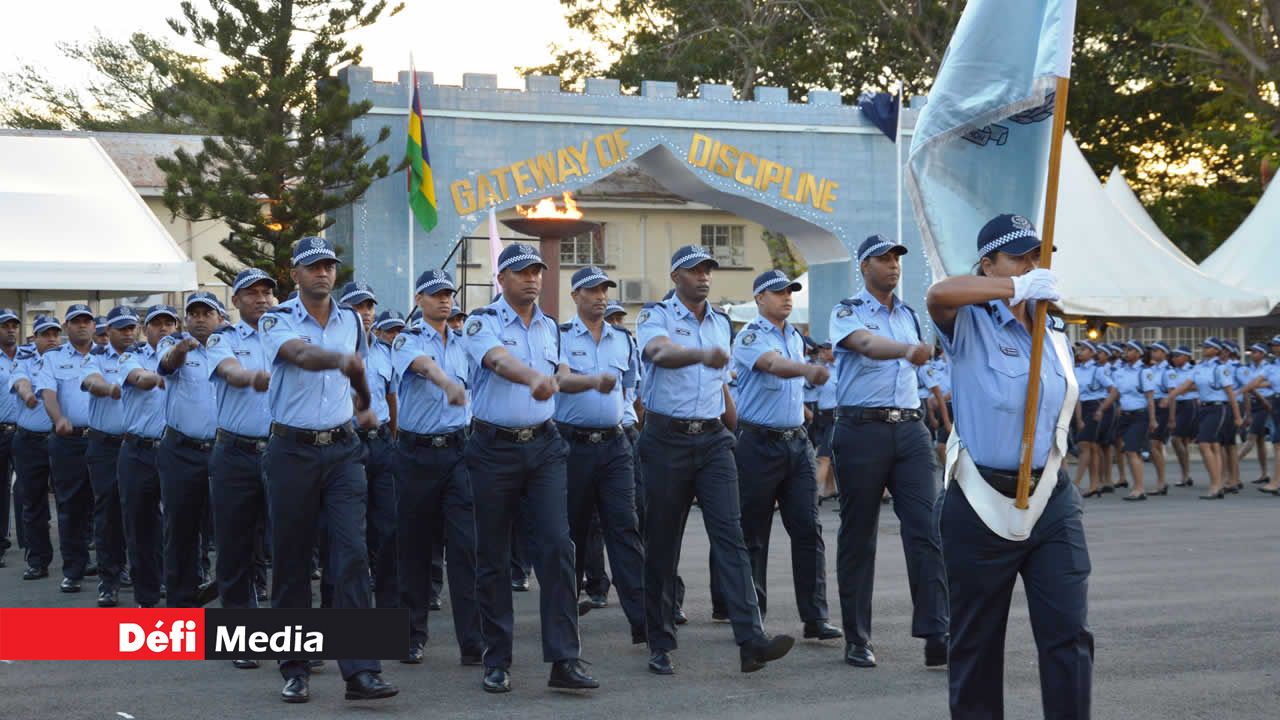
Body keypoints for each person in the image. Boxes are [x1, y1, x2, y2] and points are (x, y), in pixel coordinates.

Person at [926, 213, 1092, 720]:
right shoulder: (969, 321)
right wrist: (1014, 288)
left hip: (1050, 499)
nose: (1032, 265)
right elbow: (938, 294)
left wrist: (1030, 294)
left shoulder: (1053, 328)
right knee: (976, 644)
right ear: (988, 264)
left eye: (1036, 257)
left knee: (1068, 634)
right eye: (1018, 257)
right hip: (981, 501)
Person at [636, 244, 794, 676]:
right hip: (666, 440)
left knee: (731, 537)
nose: (704, 276)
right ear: (675, 277)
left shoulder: (721, 321)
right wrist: (701, 355)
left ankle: (751, 640)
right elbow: (659, 353)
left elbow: (721, 382)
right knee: (663, 543)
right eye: (694, 270)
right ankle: (660, 641)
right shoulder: (655, 315)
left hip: (712, 441)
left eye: (708, 269)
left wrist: (733, 424)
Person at [258, 236, 398, 703]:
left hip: (342, 451)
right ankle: (295, 667)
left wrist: (364, 405)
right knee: (293, 559)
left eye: (329, 265)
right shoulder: (276, 318)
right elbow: (300, 356)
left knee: (353, 554)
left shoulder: (352, 321)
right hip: (291, 450)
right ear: (294, 273)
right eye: (313, 266)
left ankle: (361, 671)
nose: (323, 272)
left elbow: (358, 372)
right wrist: (339, 360)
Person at [462, 243, 600, 694]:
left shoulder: (549, 326)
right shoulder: (482, 321)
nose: (532, 279)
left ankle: (564, 659)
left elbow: (560, 371)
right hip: (493, 448)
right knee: (494, 554)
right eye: (522, 272)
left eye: (537, 271)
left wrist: (586, 381)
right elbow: (498, 361)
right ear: (501, 278)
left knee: (557, 546)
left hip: (544, 446)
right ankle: (496, 659)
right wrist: (534, 379)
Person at [827, 234, 949, 669]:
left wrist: (931, 395)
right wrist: (907, 350)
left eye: (897, 258)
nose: (893, 264)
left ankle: (937, 632)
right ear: (864, 267)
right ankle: (857, 637)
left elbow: (919, 370)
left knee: (926, 528)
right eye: (883, 259)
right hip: (861, 429)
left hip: (909, 429)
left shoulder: (909, 314)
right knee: (859, 535)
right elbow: (865, 344)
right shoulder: (848, 310)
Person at [729, 269, 841, 642]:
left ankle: (815, 616)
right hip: (758, 443)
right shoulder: (750, 336)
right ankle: (752, 617)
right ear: (759, 299)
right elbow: (772, 365)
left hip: (796, 442)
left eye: (790, 291)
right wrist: (808, 369)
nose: (787, 297)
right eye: (778, 292)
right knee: (753, 532)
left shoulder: (794, 336)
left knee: (808, 528)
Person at [392, 268, 483, 666]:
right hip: (417, 455)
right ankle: (412, 635)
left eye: (448, 293)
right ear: (419, 300)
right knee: (414, 547)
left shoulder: (464, 342)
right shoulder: (406, 339)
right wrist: (445, 382)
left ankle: (473, 642)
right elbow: (423, 366)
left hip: (459, 453)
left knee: (466, 548)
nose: (444, 300)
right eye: (435, 294)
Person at [554, 266, 648, 643]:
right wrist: (592, 382)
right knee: (572, 531)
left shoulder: (622, 339)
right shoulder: (559, 336)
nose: (601, 296)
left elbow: (631, 390)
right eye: (592, 290)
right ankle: (565, 618)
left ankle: (644, 622)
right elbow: (560, 380)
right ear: (575, 296)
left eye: (604, 290)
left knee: (624, 528)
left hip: (614, 445)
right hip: (571, 445)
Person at [205, 269, 276, 665]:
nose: (261, 298)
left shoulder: (287, 336)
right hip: (236, 453)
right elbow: (230, 373)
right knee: (236, 546)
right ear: (235, 301)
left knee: (290, 545)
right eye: (251, 293)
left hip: (282, 451)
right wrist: (252, 377)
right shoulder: (223, 339)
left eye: (267, 292)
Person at [154, 293, 222, 608]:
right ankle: (181, 602)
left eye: (207, 313)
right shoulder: (172, 344)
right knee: (181, 528)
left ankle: (231, 592)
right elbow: (168, 364)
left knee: (233, 526)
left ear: (220, 318)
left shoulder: (230, 346)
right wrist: (182, 349)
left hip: (223, 450)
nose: (200, 319)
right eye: (194, 313)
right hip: (181, 450)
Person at [338, 281, 398, 611]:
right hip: (347, 444)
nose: (365, 313)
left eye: (369, 306)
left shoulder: (385, 352)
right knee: (350, 534)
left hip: (382, 444)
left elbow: (391, 398)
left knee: (388, 529)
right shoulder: (336, 348)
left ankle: (387, 609)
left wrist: (392, 437)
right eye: (357, 307)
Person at [78, 305, 141, 606]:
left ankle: (145, 576)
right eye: (121, 329)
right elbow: (91, 382)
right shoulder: (95, 358)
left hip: (138, 446)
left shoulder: (144, 357)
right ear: (109, 331)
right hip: (105, 446)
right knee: (108, 513)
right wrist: (110, 389)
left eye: (131, 328)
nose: (128, 333)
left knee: (143, 511)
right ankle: (109, 580)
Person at [33, 303, 98, 593]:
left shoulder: (107, 355)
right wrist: (58, 418)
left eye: (86, 321)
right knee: (71, 507)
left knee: (110, 507)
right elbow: (47, 393)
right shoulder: (53, 358)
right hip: (69, 441)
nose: (82, 325)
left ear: (94, 326)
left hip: (105, 441)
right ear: (66, 327)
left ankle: (114, 569)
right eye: (76, 321)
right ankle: (73, 570)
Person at [117, 305, 177, 607]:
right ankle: (147, 596)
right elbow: (139, 379)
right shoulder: (131, 355)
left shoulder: (187, 357)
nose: (163, 328)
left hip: (175, 450)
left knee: (179, 524)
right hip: (138, 451)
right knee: (140, 525)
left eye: (169, 322)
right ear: (145, 329)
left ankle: (178, 590)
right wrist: (159, 376)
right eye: (156, 323)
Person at [8, 315, 63, 583]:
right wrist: (28, 395)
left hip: (63, 440)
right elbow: (21, 382)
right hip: (30, 441)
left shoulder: (67, 361)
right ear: (35, 338)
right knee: (33, 502)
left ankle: (78, 561)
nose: (52, 339)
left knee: (72, 503)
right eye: (45, 334)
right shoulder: (25, 361)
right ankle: (38, 560)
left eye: (55, 334)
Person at [1164, 338, 1243, 499]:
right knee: (1213, 445)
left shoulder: (1221, 368)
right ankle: (1218, 484)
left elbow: (1230, 394)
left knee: (1204, 443)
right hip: (1204, 408)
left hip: (1219, 408)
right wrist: (1170, 397)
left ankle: (1215, 484)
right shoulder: (1199, 367)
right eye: (1204, 347)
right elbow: (1185, 385)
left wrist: (1237, 416)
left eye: (1207, 347)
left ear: (1216, 350)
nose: (1204, 349)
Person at [1093, 340, 1156, 500]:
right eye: (1126, 349)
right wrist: (1102, 409)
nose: (1126, 352)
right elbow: (1115, 393)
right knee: (1128, 451)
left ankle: (1139, 489)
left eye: (1130, 350)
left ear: (1138, 353)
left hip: (1140, 415)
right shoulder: (1121, 371)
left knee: (1132, 451)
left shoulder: (1144, 372)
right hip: (1125, 416)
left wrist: (1152, 419)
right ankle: (1137, 486)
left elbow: (1150, 398)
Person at [0, 308, 23, 569]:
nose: (10, 329)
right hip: (0, 430)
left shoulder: (27, 357)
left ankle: (31, 545)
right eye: (5, 325)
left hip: (24, 431)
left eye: (13, 325)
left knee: (28, 487)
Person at [1236, 343, 1272, 486]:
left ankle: (1232, 464)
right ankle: (1264, 473)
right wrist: (1248, 411)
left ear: (1263, 354)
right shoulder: (1247, 368)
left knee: (1251, 437)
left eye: (1256, 352)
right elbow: (1246, 387)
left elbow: (1271, 383)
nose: (1252, 354)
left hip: (1265, 403)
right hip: (1253, 402)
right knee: (1260, 440)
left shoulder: (1269, 367)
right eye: (1251, 351)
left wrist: (1254, 385)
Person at [1165, 346, 1198, 487]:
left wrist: (1183, 388)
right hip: (1176, 404)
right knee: (1182, 441)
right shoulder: (1172, 371)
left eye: (1178, 356)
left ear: (1186, 357)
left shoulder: (1194, 370)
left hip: (1189, 404)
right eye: (1173, 356)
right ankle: (1185, 475)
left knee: (1176, 439)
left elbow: (1200, 386)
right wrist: (1181, 389)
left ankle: (1186, 473)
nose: (1174, 358)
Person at [1146, 342, 1173, 494]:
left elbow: (1172, 395)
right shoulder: (1151, 370)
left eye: (1156, 350)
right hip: (1152, 406)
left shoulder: (1168, 371)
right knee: (1152, 446)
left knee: (1154, 444)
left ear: (1164, 353)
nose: (1153, 353)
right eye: (1152, 350)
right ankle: (1161, 480)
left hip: (1163, 407)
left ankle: (1162, 481)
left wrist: (1172, 417)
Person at [814, 342, 839, 502]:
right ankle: (830, 489)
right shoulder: (823, 368)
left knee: (824, 456)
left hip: (836, 416)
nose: (823, 352)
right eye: (822, 349)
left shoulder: (842, 368)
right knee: (828, 456)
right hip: (822, 415)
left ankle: (814, 493)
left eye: (827, 349)